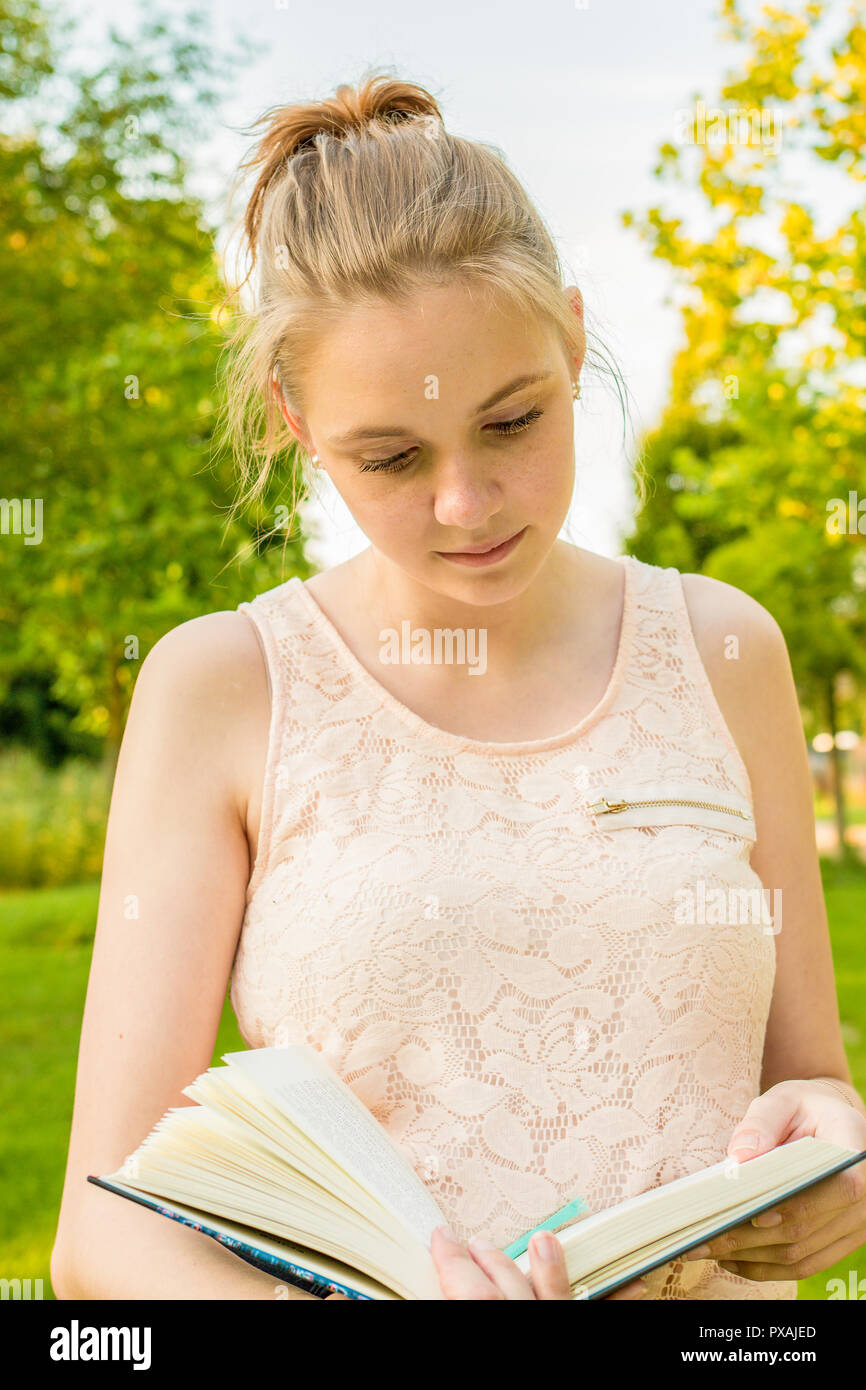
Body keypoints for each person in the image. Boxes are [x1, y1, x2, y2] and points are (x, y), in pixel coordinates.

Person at [52, 72, 866, 1302]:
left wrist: (836, 1152)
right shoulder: (223, 687)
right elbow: (102, 1232)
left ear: (574, 340)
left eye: (511, 423)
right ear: (292, 417)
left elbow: (807, 1079)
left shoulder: (723, 648)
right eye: (389, 456)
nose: (463, 505)